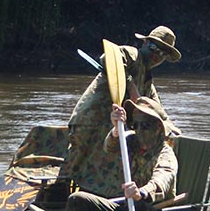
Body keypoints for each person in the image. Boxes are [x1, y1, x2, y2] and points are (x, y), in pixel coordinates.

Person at [65, 97, 178, 211]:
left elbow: (162, 180)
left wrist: (141, 192)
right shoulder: (132, 142)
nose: (139, 131)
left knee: (140, 207)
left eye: (145, 126)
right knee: (77, 200)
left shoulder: (166, 154)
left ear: (158, 129)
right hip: (125, 209)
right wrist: (117, 129)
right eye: (136, 125)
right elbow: (110, 146)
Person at [65, 26, 182, 197]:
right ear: (145, 42)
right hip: (90, 122)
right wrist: (130, 84)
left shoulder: (147, 79)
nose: (158, 55)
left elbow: (158, 111)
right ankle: (64, 197)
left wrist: (174, 132)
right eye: (155, 48)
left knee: (99, 166)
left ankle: (104, 199)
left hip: (110, 126)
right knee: (76, 166)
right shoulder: (132, 55)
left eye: (164, 53)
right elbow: (108, 59)